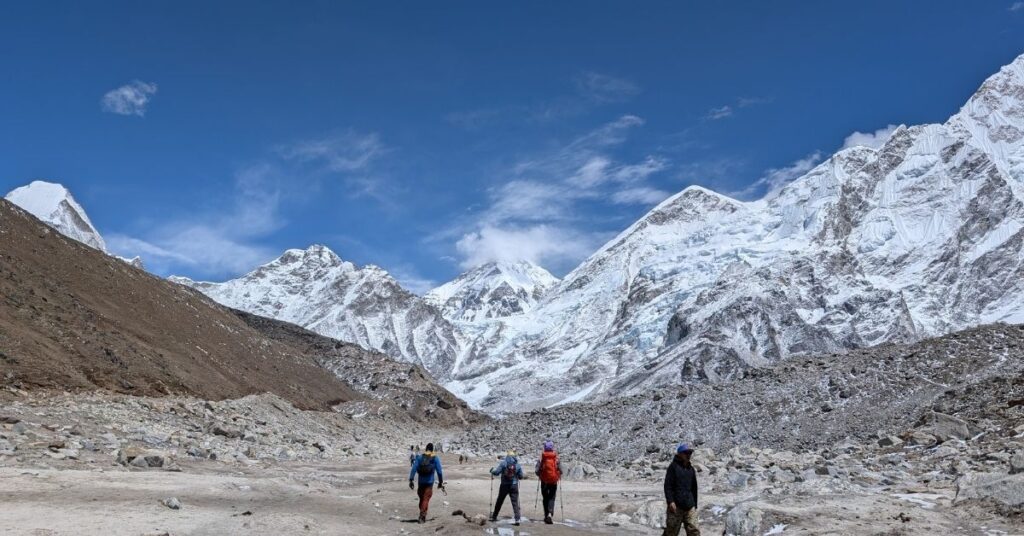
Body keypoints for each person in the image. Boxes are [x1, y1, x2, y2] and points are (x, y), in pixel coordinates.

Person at [662, 443, 699, 536]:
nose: (688, 455)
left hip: (689, 505)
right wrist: (670, 501)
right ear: (680, 454)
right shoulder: (673, 467)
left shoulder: (691, 469)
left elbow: (694, 487)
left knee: (694, 530)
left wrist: (695, 504)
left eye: (690, 453)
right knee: (672, 531)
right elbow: (668, 485)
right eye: (686, 453)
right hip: (676, 506)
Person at [408, 442, 445, 523]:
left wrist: (411, 480)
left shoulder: (420, 457)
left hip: (420, 482)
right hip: (429, 482)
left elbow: (413, 469)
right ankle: (422, 516)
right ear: (432, 450)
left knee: (422, 499)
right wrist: (440, 482)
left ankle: (423, 513)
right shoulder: (435, 458)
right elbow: (439, 471)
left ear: (425, 449)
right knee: (425, 499)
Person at [490, 450, 525, 525]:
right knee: (515, 503)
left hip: (504, 485)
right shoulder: (517, 465)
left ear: (507, 456)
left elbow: (496, 472)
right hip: (514, 485)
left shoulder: (503, 463)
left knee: (499, 501)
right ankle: (517, 519)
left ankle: (494, 516)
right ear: (514, 456)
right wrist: (517, 476)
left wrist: (492, 471)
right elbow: (521, 476)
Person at [534, 440, 563, 524]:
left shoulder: (542, 458)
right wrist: (558, 475)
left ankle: (546, 515)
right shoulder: (556, 458)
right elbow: (561, 470)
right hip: (553, 481)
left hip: (544, 481)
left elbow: (536, 470)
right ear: (552, 448)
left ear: (544, 448)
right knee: (552, 497)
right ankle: (550, 514)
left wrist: (540, 475)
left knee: (545, 498)